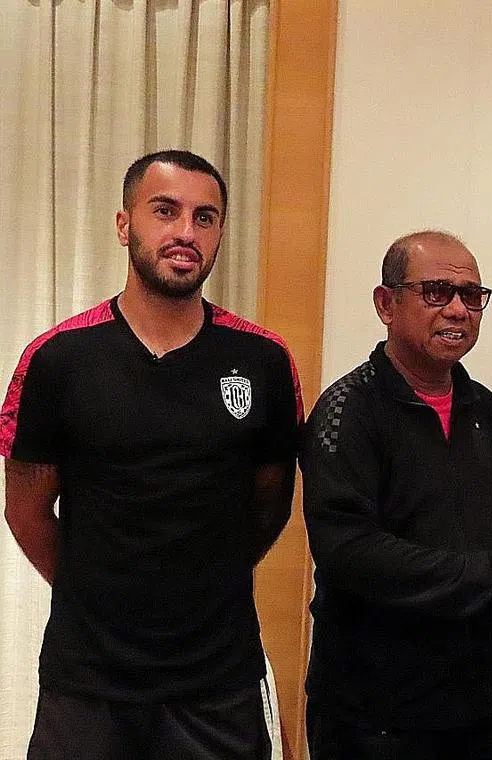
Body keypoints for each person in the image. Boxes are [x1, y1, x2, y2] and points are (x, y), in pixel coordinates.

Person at [1, 149, 304, 759]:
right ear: (124, 224)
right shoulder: (57, 359)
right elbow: (26, 509)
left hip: (218, 682)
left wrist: (202, 581)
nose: (186, 232)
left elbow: (271, 501)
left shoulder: (264, 360)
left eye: (205, 217)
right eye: (165, 211)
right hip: (88, 681)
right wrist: (95, 590)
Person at [302, 231, 492, 760]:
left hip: (480, 704)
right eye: (436, 292)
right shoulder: (346, 410)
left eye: (471, 295)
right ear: (386, 304)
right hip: (375, 713)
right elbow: (349, 553)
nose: (458, 310)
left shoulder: (484, 409)